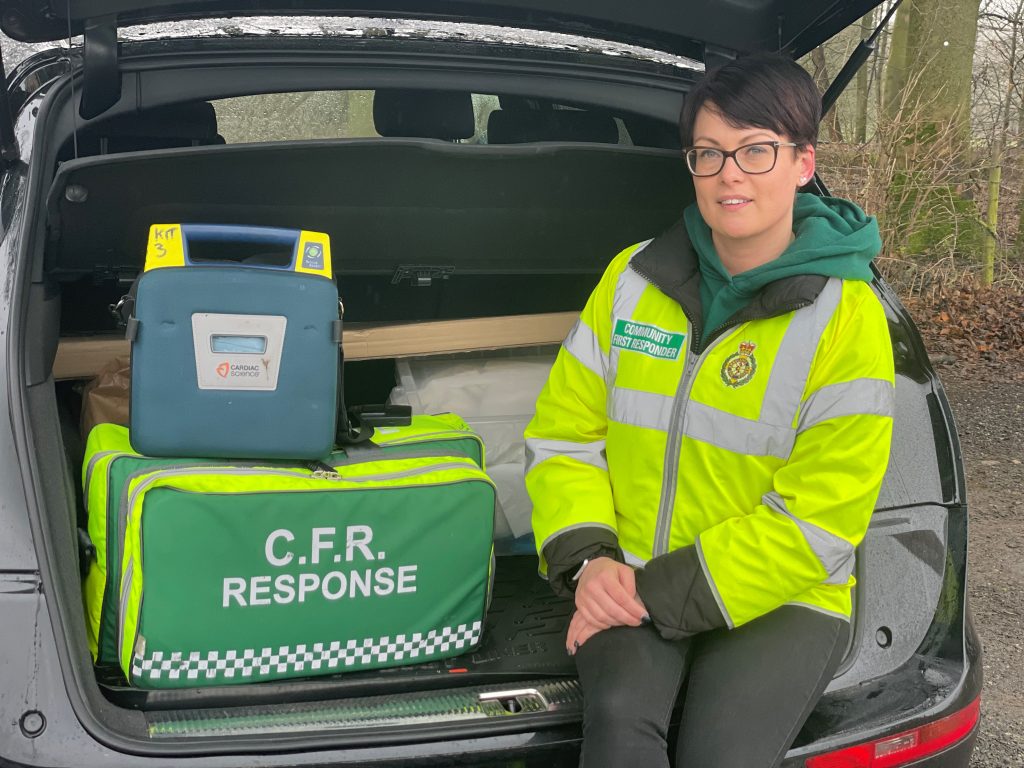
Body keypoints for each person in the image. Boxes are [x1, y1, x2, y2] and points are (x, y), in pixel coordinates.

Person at [524, 52, 895, 768]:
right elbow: (562, 437)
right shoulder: (632, 281)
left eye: (757, 150)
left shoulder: (848, 318)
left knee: (722, 754)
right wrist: (590, 564)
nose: (731, 173)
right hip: (629, 567)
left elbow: (821, 520)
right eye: (710, 152)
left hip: (782, 595)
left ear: (802, 161)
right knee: (618, 719)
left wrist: (649, 593)